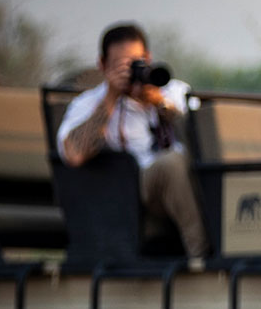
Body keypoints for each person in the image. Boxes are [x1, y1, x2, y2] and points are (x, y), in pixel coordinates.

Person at [56, 22, 207, 258]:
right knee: (171, 163)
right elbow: (74, 154)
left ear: (148, 57)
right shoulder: (88, 103)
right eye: (121, 66)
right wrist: (110, 99)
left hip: (189, 177)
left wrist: (159, 103)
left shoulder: (174, 91)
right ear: (103, 65)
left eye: (137, 62)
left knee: (186, 163)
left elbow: (206, 137)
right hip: (130, 188)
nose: (131, 72)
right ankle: (200, 256)